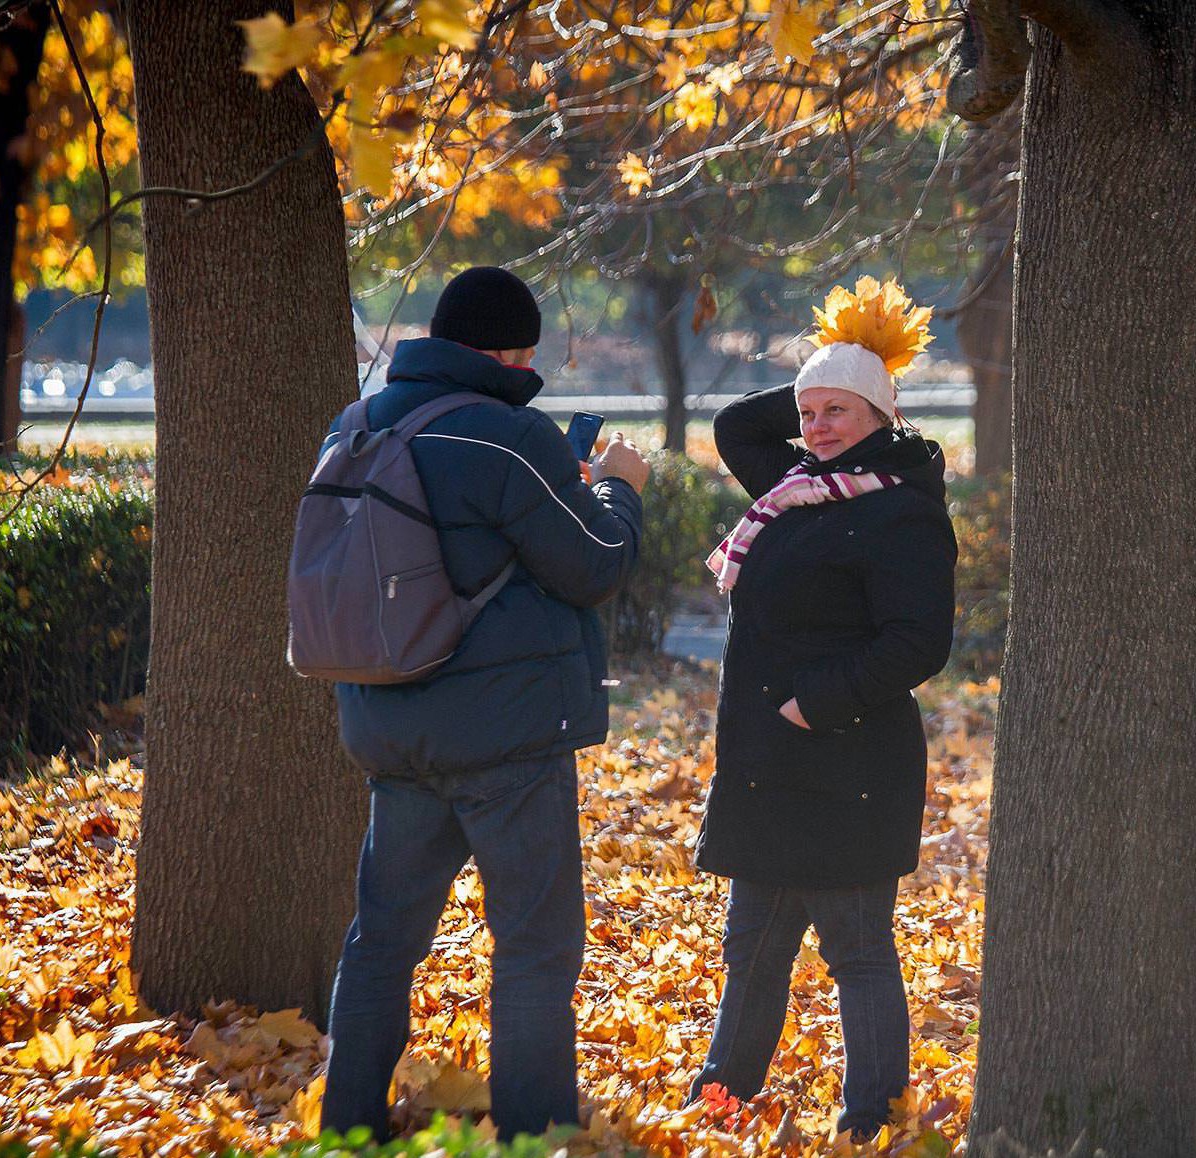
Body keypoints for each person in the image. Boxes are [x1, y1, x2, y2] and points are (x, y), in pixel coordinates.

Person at [317, 266, 650, 1142]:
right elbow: (594, 564)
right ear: (511, 354)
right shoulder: (509, 436)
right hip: (505, 740)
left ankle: (346, 1128)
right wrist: (619, 488)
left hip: (391, 727)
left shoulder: (357, 425)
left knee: (383, 942)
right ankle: (532, 1137)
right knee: (536, 946)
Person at [690, 278, 958, 1138]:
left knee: (856, 953)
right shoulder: (797, 484)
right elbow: (738, 426)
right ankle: (717, 1108)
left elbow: (918, 642)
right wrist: (832, 371)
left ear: (882, 414)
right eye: (807, 413)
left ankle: (870, 1124)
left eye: (838, 411)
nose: (816, 427)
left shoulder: (902, 508)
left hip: (848, 764)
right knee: (751, 951)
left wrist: (814, 706)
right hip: (766, 767)